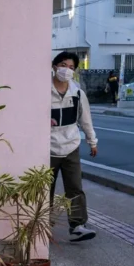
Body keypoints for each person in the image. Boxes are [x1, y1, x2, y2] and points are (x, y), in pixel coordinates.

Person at [50, 51, 98, 242]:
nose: (66, 70)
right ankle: (42, 228)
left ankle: (78, 225)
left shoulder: (77, 93)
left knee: (75, 188)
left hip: (71, 145)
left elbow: (86, 120)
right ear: (54, 67)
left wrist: (92, 142)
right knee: (45, 189)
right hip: (47, 147)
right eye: (63, 65)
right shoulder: (42, 91)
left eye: (71, 67)